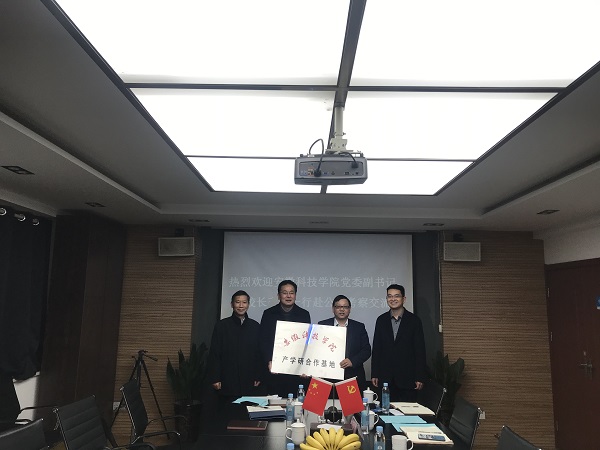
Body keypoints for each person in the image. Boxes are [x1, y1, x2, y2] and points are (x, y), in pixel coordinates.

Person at [371, 284, 426, 402]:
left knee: (406, 411)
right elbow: (377, 348)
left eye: (396, 296)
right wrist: (374, 373)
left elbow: (420, 350)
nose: (393, 299)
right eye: (389, 296)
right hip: (385, 378)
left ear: (404, 299)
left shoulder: (414, 321)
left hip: (408, 378)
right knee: (386, 410)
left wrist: (419, 376)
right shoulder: (381, 320)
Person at [259, 280, 311, 397]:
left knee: (296, 402)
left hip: (296, 370)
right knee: (274, 402)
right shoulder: (268, 314)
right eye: (285, 293)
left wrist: (304, 366)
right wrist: (269, 360)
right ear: (278, 295)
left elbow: (306, 343)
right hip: (274, 369)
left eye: (291, 293)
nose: (288, 296)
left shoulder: (304, 314)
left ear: (295, 295)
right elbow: (263, 340)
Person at [207, 290, 262, 401]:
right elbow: (215, 353)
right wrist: (215, 378)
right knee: (228, 409)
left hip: (249, 378)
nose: (241, 306)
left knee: (247, 409)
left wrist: (258, 375)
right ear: (232, 304)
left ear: (248, 304)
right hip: (227, 378)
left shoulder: (255, 326)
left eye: (244, 302)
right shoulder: (222, 326)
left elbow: (259, 354)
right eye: (237, 302)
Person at [318, 295, 371, 392]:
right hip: (328, 377)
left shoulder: (359, 327)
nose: (342, 309)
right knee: (328, 402)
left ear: (349, 309)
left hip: (352, 376)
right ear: (333, 309)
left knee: (351, 402)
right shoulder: (323, 325)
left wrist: (352, 361)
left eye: (345, 307)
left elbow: (366, 350)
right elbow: (316, 349)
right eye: (338, 307)